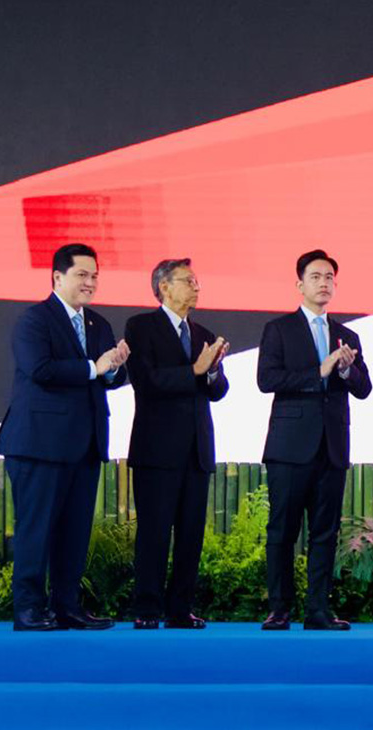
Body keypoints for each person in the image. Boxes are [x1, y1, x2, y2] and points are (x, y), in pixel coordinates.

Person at [0, 242, 130, 631]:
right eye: (82, 275)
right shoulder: (34, 320)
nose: (90, 283)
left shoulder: (98, 324)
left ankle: (67, 606)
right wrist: (93, 367)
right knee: (36, 528)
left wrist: (113, 370)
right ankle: (29, 609)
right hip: (38, 443)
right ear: (57, 277)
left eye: (95, 276)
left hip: (84, 444)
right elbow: (40, 369)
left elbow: (111, 376)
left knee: (75, 531)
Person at [257, 249, 372, 631]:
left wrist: (348, 369)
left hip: (332, 447)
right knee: (282, 530)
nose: (324, 283)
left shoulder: (347, 334)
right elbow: (267, 380)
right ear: (299, 284)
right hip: (290, 448)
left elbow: (365, 388)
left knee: (325, 533)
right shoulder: (279, 329)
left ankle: (318, 610)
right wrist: (318, 370)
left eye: (329, 278)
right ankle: (279, 608)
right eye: (316, 277)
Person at [125, 258, 230, 629]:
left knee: (190, 534)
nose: (197, 287)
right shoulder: (141, 327)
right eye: (189, 280)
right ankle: (147, 609)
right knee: (154, 532)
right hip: (157, 450)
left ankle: (180, 609)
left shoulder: (202, 332)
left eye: (197, 280)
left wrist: (214, 369)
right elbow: (147, 380)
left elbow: (218, 390)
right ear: (164, 286)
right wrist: (195, 371)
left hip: (197, 450)